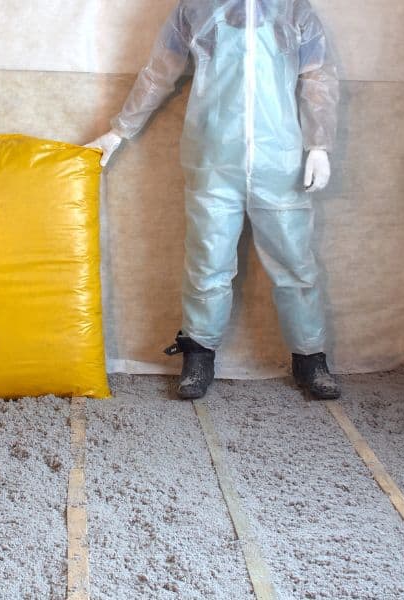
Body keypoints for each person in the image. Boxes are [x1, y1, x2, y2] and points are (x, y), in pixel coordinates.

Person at [88, 0, 341, 400]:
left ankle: (310, 357)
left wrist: (319, 145)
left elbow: (317, 78)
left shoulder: (294, 10)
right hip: (212, 159)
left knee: (295, 261)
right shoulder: (195, 9)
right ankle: (198, 354)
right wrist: (119, 131)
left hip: (280, 162)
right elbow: (159, 73)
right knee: (207, 260)